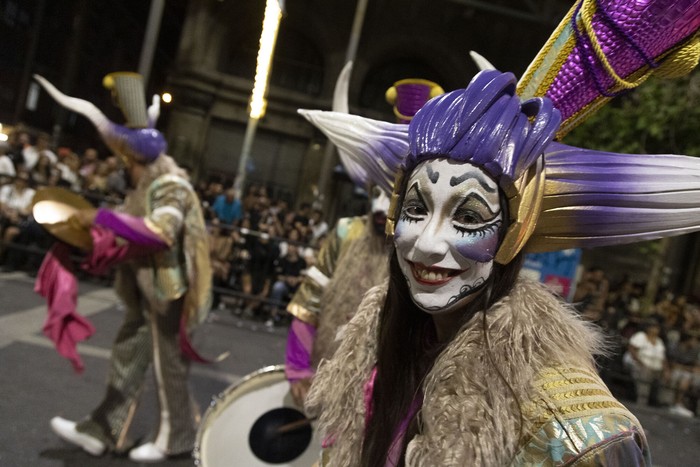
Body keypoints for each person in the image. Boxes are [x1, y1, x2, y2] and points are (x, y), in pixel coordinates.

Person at [298, 3, 700, 462]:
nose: (427, 243)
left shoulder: (573, 430)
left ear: (514, 232)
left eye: (468, 217)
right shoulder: (373, 357)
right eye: (416, 208)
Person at [34, 72, 212, 463]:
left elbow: (160, 232)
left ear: (133, 159)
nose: (121, 168)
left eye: (123, 161)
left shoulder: (170, 185)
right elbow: (125, 227)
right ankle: (103, 431)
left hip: (170, 292)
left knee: (169, 368)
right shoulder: (146, 187)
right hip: (146, 292)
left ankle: (176, 438)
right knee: (127, 357)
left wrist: (99, 218)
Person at [284, 64, 444, 406]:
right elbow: (309, 299)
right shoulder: (346, 232)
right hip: (326, 378)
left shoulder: (431, 247)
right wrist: (298, 366)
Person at [624, 319, 667, 406]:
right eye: (654, 327)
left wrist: (666, 370)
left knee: (667, 377)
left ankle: (664, 403)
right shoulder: (641, 336)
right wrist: (642, 364)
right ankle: (642, 401)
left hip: (655, 367)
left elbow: (663, 358)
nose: (656, 330)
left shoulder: (659, 341)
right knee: (646, 373)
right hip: (638, 363)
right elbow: (632, 350)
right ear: (648, 328)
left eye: (657, 328)